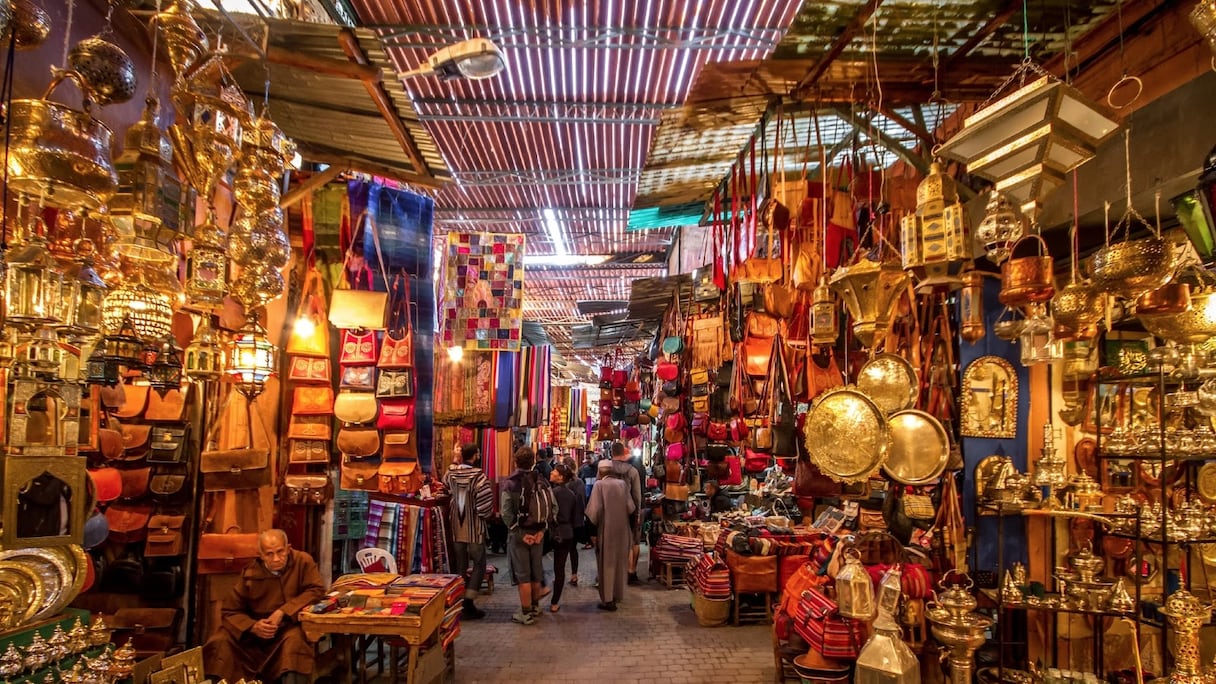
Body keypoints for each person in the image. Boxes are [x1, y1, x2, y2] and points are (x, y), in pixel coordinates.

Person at [203, 530, 325, 684]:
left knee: (294, 644)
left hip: (287, 629)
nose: (276, 558)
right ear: (261, 555)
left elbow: (317, 591)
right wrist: (252, 626)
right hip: (254, 636)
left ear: (288, 548)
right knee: (220, 642)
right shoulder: (251, 571)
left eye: (280, 552)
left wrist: (283, 612)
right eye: (269, 554)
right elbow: (230, 610)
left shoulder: (303, 562)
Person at [501, 446, 552, 625]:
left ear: (516, 461)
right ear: (533, 462)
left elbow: (506, 513)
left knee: (523, 575)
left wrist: (519, 533)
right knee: (536, 572)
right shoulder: (542, 481)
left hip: (519, 535)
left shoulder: (510, 483)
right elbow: (553, 508)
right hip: (538, 534)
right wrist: (541, 531)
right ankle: (536, 606)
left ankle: (525, 612)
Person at [443, 444, 495, 619]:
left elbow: (445, 487)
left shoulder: (451, 474)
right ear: (475, 456)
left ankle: (458, 600)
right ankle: (469, 602)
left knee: (460, 565)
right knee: (479, 564)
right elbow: (485, 503)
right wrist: (484, 515)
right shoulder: (479, 476)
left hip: (457, 527)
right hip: (474, 528)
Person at [586, 459, 636, 611]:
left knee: (606, 564)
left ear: (601, 471)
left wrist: (592, 534)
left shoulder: (599, 485)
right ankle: (618, 594)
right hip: (622, 530)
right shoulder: (622, 485)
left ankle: (608, 599)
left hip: (606, 530)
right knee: (620, 562)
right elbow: (631, 508)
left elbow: (593, 511)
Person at [548, 463, 583, 611]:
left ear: (561, 477)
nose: (552, 472)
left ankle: (539, 594)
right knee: (560, 569)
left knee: (542, 565)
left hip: (553, 533)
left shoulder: (552, 493)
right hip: (567, 533)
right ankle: (555, 603)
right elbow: (576, 518)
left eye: (555, 471)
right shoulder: (571, 495)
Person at [609, 442, 644, 584]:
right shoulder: (634, 470)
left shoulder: (607, 469)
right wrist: (637, 513)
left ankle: (616, 572)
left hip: (612, 510)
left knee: (615, 542)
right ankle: (631, 571)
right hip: (630, 510)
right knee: (632, 541)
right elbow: (637, 495)